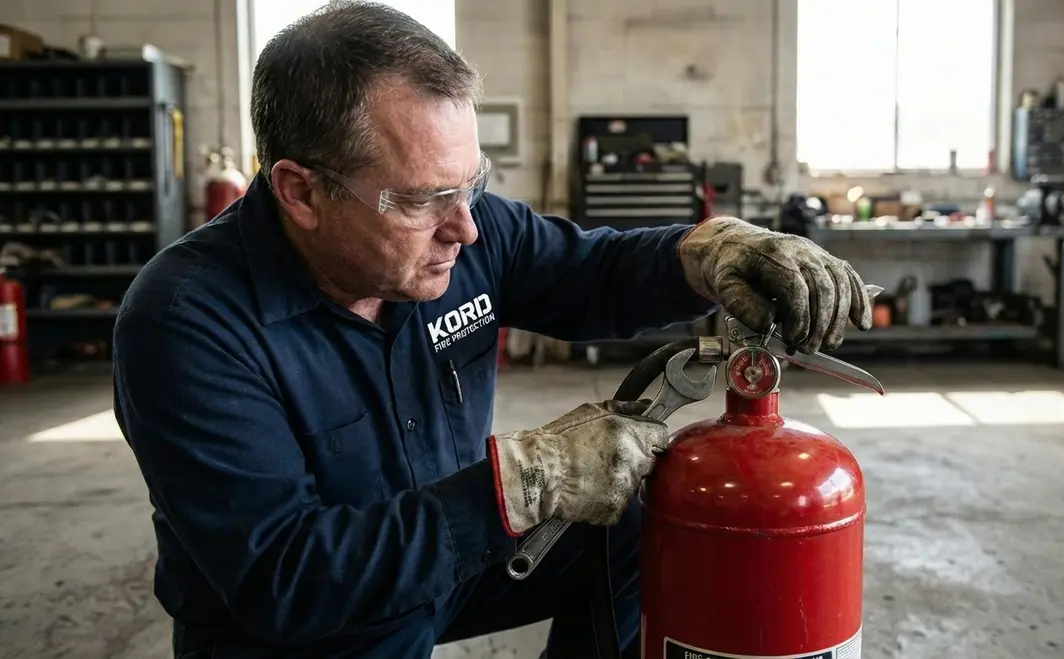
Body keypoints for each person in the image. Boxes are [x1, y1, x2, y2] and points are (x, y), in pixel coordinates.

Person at [111, 2, 874, 658]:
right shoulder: (187, 323)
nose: (467, 228)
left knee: (643, 526)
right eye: (422, 199)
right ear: (301, 190)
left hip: (454, 555)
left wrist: (709, 253)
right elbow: (285, 576)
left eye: (472, 183)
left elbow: (590, 273)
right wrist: (519, 485)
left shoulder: (461, 237)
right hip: (301, 624)